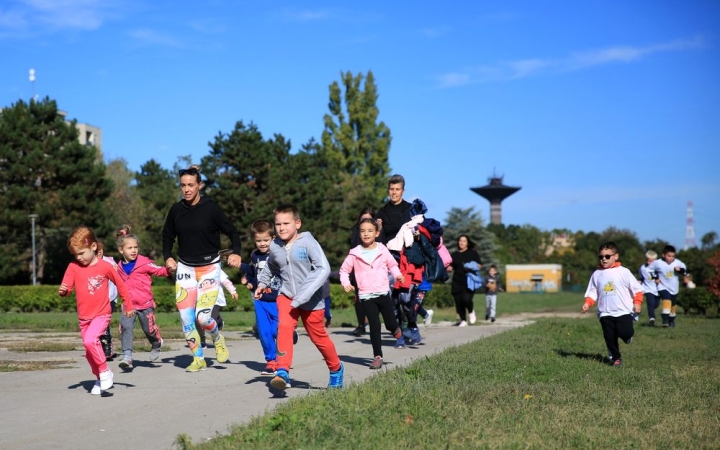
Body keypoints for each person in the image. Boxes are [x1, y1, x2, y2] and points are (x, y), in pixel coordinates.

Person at [255, 204, 344, 390]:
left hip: (311, 299)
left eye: (286, 223)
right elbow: (271, 266)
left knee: (318, 336)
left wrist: (303, 296)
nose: (281, 227)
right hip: (286, 295)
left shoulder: (308, 242)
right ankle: (282, 371)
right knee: (285, 327)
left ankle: (336, 368)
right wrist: (262, 284)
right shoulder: (275, 246)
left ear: (298, 223)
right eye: (278, 224)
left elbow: (323, 269)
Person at [162, 165, 242, 372]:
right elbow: (167, 236)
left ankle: (217, 337)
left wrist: (236, 252)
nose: (186, 189)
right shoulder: (176, 210)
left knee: (204, 318)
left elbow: (232, 231)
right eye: (183, 186)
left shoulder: (211, 208)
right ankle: (198, 358)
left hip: (209, 267)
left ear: (199, 185)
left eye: (191, 185)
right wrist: (168, 257)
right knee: (186, 318)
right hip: (185, 268)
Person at [58, 226, 135, 395]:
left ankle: (105, 371)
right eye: (75, 255)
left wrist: (128, 305)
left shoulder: (105, 266)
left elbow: (121, 285)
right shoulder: (73, 266)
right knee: (89, 352)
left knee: (90, 341)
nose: (79, 258)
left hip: (102, 313)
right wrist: (64, 290)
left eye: (81, 253)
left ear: (93, 247)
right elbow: (67, 286)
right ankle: (100, 378)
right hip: (84, 317)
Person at [340, 217, 405, 369]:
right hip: (366, 295)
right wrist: (346, 283)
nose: (366, 234)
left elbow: (392, 265)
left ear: (376, 233)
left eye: (370, 231)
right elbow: (344, 270)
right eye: (362, 231)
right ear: (359, 234)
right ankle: (378, 356)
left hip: (383, 292)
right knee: (374, 326)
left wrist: (398, 275)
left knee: (389, 324)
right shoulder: (354, 254)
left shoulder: (382, 250)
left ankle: (395, 329)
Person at [114, 225, 169, 371]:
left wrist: (169, 269)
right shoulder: (118, 267)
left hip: (145, 304)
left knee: (149, 330)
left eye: (135, 247)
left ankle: (157, 344)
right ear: (121, 250)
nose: (133, 250)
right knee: (126, 327)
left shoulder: (144, 262)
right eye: (129, 248)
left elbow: (159, 270)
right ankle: (127, 357)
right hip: (129, 305)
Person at [581, 241, 643, 367]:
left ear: (616, 256)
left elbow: (637, 289)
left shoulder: (623, 272)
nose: (604, 259)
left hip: (623, 310)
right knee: (609, 336)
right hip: (605, 312)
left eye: (607, 256)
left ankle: (627, 337)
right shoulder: (597, 274)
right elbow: (593, 291)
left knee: (625, 333)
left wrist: (637, 303)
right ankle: (616, 358)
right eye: (601, 256)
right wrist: (588, 303)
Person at [241, 219, 282, 376]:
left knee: (276, 331)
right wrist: (250, 281)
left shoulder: (278, 253)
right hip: (260, 300)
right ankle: (271, 361)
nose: (262, 244)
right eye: (258, 240)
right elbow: (253, 273)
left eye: (266, 240)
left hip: (277, 298)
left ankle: (289, 337)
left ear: (273, 238)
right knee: (264, 331)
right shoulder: (255, 256)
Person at [348, 207, 385, 336]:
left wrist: (379, 229)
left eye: (368, 219)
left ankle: (375, 322)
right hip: (358, 272)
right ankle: (361, 325)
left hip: (373, 271)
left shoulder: (377, 232)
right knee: (359, 300)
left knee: (375, 299)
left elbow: (381, 248)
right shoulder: (355, 232)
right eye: (363, 219)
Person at [648, 245, 687, 328]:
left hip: (674, 288)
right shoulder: (657, 263)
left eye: (673, 256)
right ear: (663, 255)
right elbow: (650, 270)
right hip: (662, 286)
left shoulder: (677, 262)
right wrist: (656, 278)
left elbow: (684, 271)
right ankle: (665, 321)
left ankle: (671, 321)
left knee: (673, 306)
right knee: (667, 300)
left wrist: (680, 270)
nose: (671, 258)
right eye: (669, 256)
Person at [447, 234, 482, 326]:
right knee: (458, 301)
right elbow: (451, 266)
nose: (462, 242)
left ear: (467, 243)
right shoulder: (454, 255)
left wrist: (472, 265)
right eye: (460, 241)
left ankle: (470, 311)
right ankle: (463, 320)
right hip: (457, 280)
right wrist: (449, 268)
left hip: (469, 280)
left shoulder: (472, 253)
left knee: (466, 300)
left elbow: (479, 265)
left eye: (464, 241)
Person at [197, 270, 235, 348]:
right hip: (201, 301)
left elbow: (226, 282)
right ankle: (202, 340)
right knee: (199, 321)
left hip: (215, 301)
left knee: (212, 319)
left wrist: (233, 291)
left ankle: (218, 324)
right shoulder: (196, 270)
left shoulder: (216, 269)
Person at [96, 241, 118, 361]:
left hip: (110, 298)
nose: (99, 252)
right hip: (96, 300)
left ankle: (107, 347)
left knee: (104, 322)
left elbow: (119, 276)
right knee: (98, 323)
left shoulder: (109, 262)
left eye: (101, 250)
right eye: (96, 251)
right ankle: (101, 346)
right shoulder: (90, 264)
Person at [638, 250, 660, 326]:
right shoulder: (643, 268)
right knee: (650, 303)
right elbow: (641, 278)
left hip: (657, 289)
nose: (651, 263)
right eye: (649, 261)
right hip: (647, 289)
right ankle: (652, 317)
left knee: (656, 304)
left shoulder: (658, 269)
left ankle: (651, 311)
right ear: (646, 260)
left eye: (653, 261)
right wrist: (639, 282)